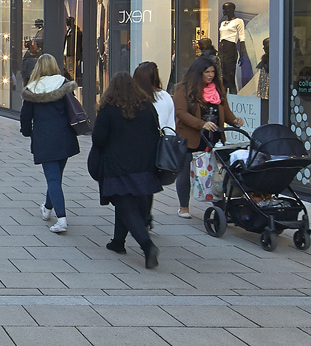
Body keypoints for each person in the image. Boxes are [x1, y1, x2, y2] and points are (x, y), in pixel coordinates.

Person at [90, 70, 162, 268]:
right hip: (144, 165)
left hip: (118, 166)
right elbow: (156, 133)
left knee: (126, 205)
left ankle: (147, 246)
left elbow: (99, 139)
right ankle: (118, 242)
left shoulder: (109, 108)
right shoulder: (147, 106)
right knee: (127, 204)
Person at [172, 55, 240, 219]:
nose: (210, 75)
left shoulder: (217, 88)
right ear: (198, 73)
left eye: (212, 72)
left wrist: (234, 120)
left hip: (212, 136)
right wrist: (201, 123)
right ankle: (184, 207)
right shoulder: (182, 88)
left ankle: (220, 206)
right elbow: (180, 113)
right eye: (207, 72)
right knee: (185, 172)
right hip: (190, 137)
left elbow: (225, 108)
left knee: (215, 173)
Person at [19, 54, 78, 234]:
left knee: (53, 179)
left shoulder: (32, 89)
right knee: (56, 178)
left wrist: (27, 132)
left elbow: (25, 117)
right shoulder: (64, 84)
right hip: (65, 137)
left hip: (44, 139)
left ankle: (61, 219)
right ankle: (46, 208)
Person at [133, 62, 175, 230]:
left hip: (136, 146)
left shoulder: (134, 98)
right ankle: (146, 216)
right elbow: (171, 126)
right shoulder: (165, 97)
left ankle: (136, 214)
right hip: (157, 146)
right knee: (148, 183)